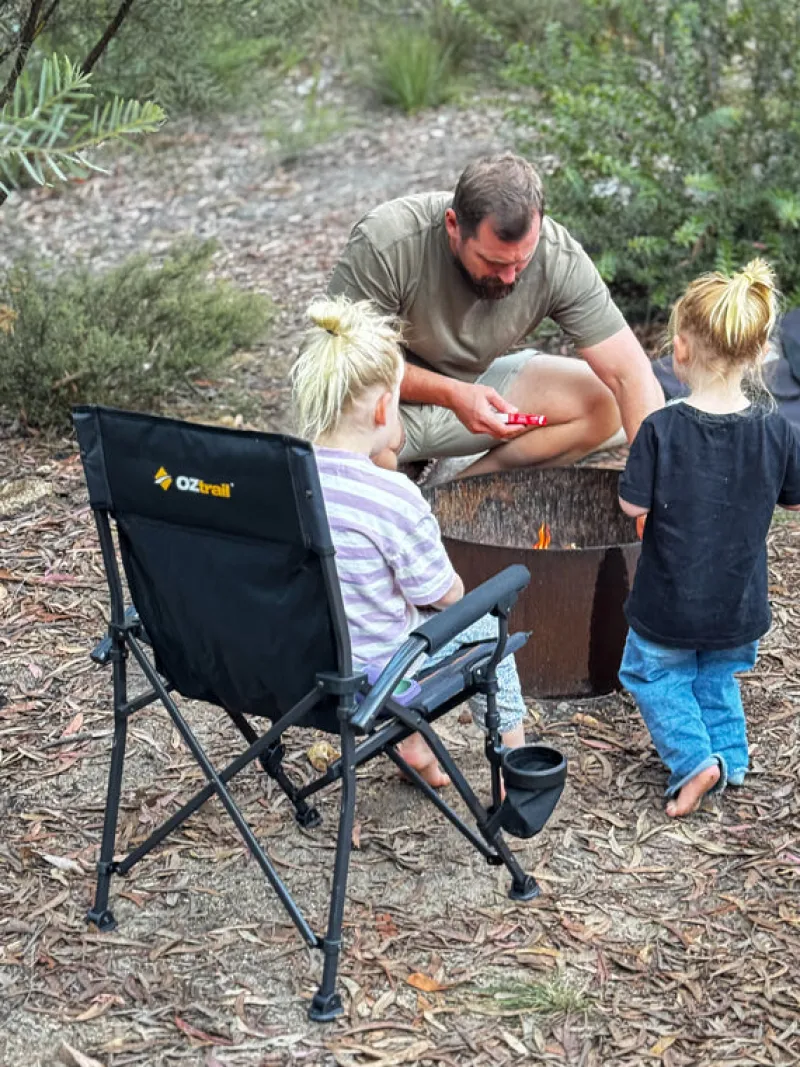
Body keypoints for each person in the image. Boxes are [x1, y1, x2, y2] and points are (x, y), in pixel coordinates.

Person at [290, 295, 528, 787]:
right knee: (487, 630)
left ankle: (412, 745)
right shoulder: (392, 498)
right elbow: (444, 596)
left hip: (293, 665)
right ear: (383, 408)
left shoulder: (285, 480)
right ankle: (515, 770)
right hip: (377, 676)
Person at [327, 152, 663, 477]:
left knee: (606, 404)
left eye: (522, 261)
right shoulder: (389, 242)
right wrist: (451, 394)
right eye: (494, 262)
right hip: (386, 400)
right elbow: (344, 365)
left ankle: (459, 494)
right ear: (453, 225)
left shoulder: (557, 257)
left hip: (475, 391)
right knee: (348, 446)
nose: (510, 277)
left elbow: (631, 373)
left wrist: (653, 485)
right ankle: (400, 501)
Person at [617, 260, 800, 818]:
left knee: (651, 672)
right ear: (758, 354)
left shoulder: (661, 428)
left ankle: (695, 760)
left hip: (669, 601)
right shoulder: (777, 430)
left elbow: (632, 505)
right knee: (718, 673)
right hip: (739, 601)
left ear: (681, 348)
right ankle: (732, 757)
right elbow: (792, 500)